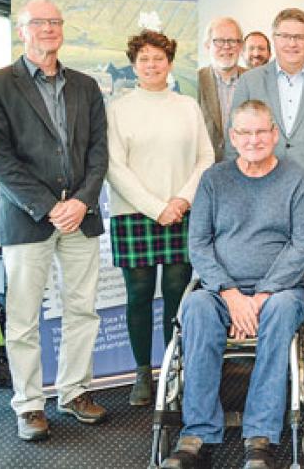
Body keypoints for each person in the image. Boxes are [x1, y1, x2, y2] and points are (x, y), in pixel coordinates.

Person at [0, 0, 108, 440]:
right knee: (24, 317)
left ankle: (74, 393)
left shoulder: (86, 86)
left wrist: (82, 201)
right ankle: (30, 405)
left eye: (54, 22)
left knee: (82, 310)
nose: (48, 29)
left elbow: (98, 153)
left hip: (80, 217)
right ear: (22, 30)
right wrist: (50, 206)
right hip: (28, 217)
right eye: (39, 23)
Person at [162, 100, 304, 469]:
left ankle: (260, 435)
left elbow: (302, 246)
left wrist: (261, 295)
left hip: (280, 291)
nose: (253, 140)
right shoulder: (214, 179)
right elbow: (198, 244)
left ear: (275, 134)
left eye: (261, 131)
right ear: (232, 137)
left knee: (279, 311)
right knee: (195, 308)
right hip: (220, 292)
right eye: (244, 132)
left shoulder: (295, 178)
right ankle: (198, 433)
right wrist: (231, 295)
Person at [106, 30, 214, 406]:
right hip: (134, 213)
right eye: (144, 59)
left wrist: (181, 200)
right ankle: (141, 373)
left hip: (182, 210)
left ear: (169, 62)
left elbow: (206, 157)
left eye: (158, 58)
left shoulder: (187, 105)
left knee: (175, 294)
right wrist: (156, 207)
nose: (151, 65)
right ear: (134, 64)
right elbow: (114, 167)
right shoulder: (119, 108)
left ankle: (172, 366)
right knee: (137, 295)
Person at [230, 8, 304, 301]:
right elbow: (233, 140)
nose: (292, 43)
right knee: (265, 272)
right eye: (285, 36)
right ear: (275, 37)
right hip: (259, 197)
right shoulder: (250, 81)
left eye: (300, 37)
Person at [197, 17, 246, 162]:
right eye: (219, 41)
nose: (226, 46)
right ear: (207, 45)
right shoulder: (196, 81)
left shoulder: (254, 81)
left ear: (241, 46)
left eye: (232, 41)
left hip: (246, 173)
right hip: (204, 172)